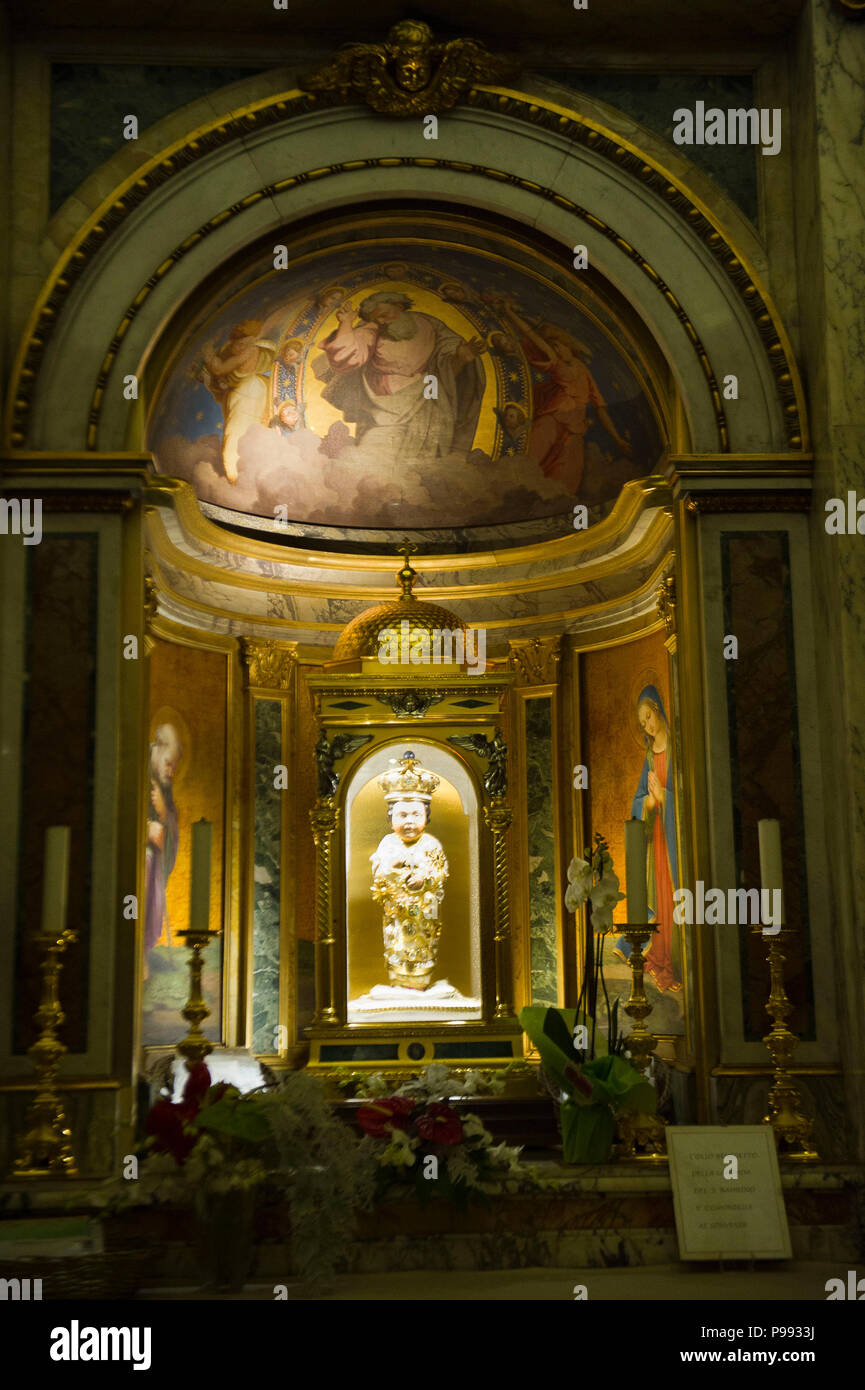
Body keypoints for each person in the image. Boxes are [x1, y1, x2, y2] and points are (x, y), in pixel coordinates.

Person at [317, 290, 485, 460]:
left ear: (399, 306)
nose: (382, 322)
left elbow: (443, 370)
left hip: (426, 401)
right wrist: (346, 323)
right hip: (381, 408)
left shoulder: (430, 325)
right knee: (372, 456)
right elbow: (345, 356)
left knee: (425, 456)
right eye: (377, 319)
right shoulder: (372, 330)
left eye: (384, 315)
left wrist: (461, 358)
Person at [500, 302, 631, 491]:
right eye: (553, 346)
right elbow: (530, 334)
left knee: (566, 480)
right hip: (551, 421)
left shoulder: (584, 371)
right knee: (528, 463)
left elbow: (600, 407)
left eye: (558, 345)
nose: (556, 350)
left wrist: (617, 439)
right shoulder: (556, 364)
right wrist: (509, 313)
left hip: (574, 431)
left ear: (568, 345)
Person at [615, 687, 681, 993]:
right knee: (660, 893)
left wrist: (665, 796)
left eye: (648, 717)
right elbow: (638, 800)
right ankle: (660, 955)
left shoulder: (679, 747)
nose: (648, 726)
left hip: (677, 835)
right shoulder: (649, 755)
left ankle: (676, 958)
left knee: (675, 893)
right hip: (657, 834)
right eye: (642, 723)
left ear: (658, 709)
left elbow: (691, 792)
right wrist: (651, 803)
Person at [370, 753, 449, 990]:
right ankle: (399, 983)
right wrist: (394, 870)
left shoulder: (431, 844)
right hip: (397, 911)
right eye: (402, 815)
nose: (409, 821)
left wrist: (425, 878)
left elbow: (441, 871)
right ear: (391, 817)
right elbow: (379, 872)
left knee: (423, 944)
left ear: (427, 816)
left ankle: (422, 983)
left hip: (424, 912)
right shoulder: (387, 843)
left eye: (416, 814)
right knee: (397, 944)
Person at [201, 320, 277, 484]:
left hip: (247, 392)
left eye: (243, 338)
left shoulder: (251, 350)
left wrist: (207, 353)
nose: (241, 343)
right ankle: (246, 476)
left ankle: (236, 477)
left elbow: (220, 368)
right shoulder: (248, 347)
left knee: (236, 433)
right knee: (245, 432)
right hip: (248, 390)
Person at [144, 724, 182, 957]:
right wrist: (144, 829)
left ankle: (145, 946)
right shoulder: (137, 765)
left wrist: (165, 814)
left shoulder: (164, 781)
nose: (171, 771)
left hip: (154, 857)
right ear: (158, 749)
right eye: (168, 763)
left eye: (174, 767)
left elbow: (172, 819)